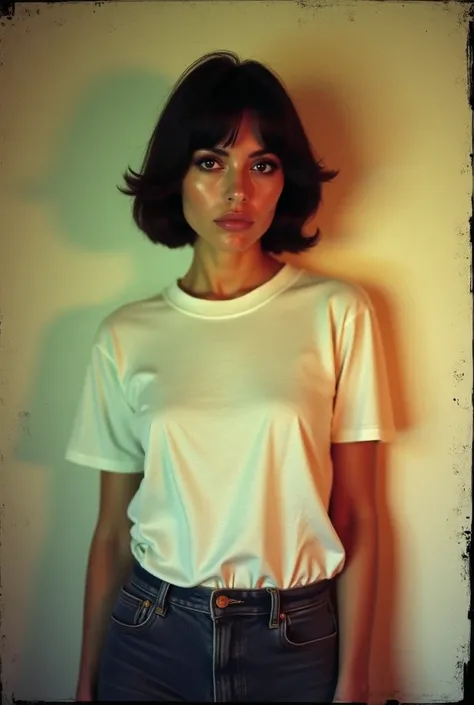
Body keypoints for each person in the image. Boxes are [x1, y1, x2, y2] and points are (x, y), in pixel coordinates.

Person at [66, 50, 395, 702]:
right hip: (149, 634)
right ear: (178, 177)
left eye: (261, 164)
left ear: (285, 180)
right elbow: (110, 530)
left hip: (294, 637)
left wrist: (354, 679)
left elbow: (357, 512)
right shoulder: (124, 336)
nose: (236, 191)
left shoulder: (338, 312)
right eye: (211, 162)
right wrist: (85, 681)